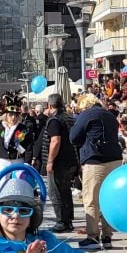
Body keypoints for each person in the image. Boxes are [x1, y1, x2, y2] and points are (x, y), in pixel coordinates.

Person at [69, 94, 122, 249]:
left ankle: (92, 237)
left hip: (95, 161)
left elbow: (73, 137)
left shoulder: (87, 114)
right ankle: (107, 236)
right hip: (115, 160)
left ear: (84, 105)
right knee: (108, 199)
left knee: (91, 200)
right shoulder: (110, 115)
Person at [42, 95, 78, 234]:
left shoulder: (54, 120)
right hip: (71, 159)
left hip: (59, 162)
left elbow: (55, 141)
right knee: (65, 191)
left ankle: (62, 222)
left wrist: (50, 161)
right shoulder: (70, 118)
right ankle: (68, 221)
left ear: (50, 105)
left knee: (55, 192)